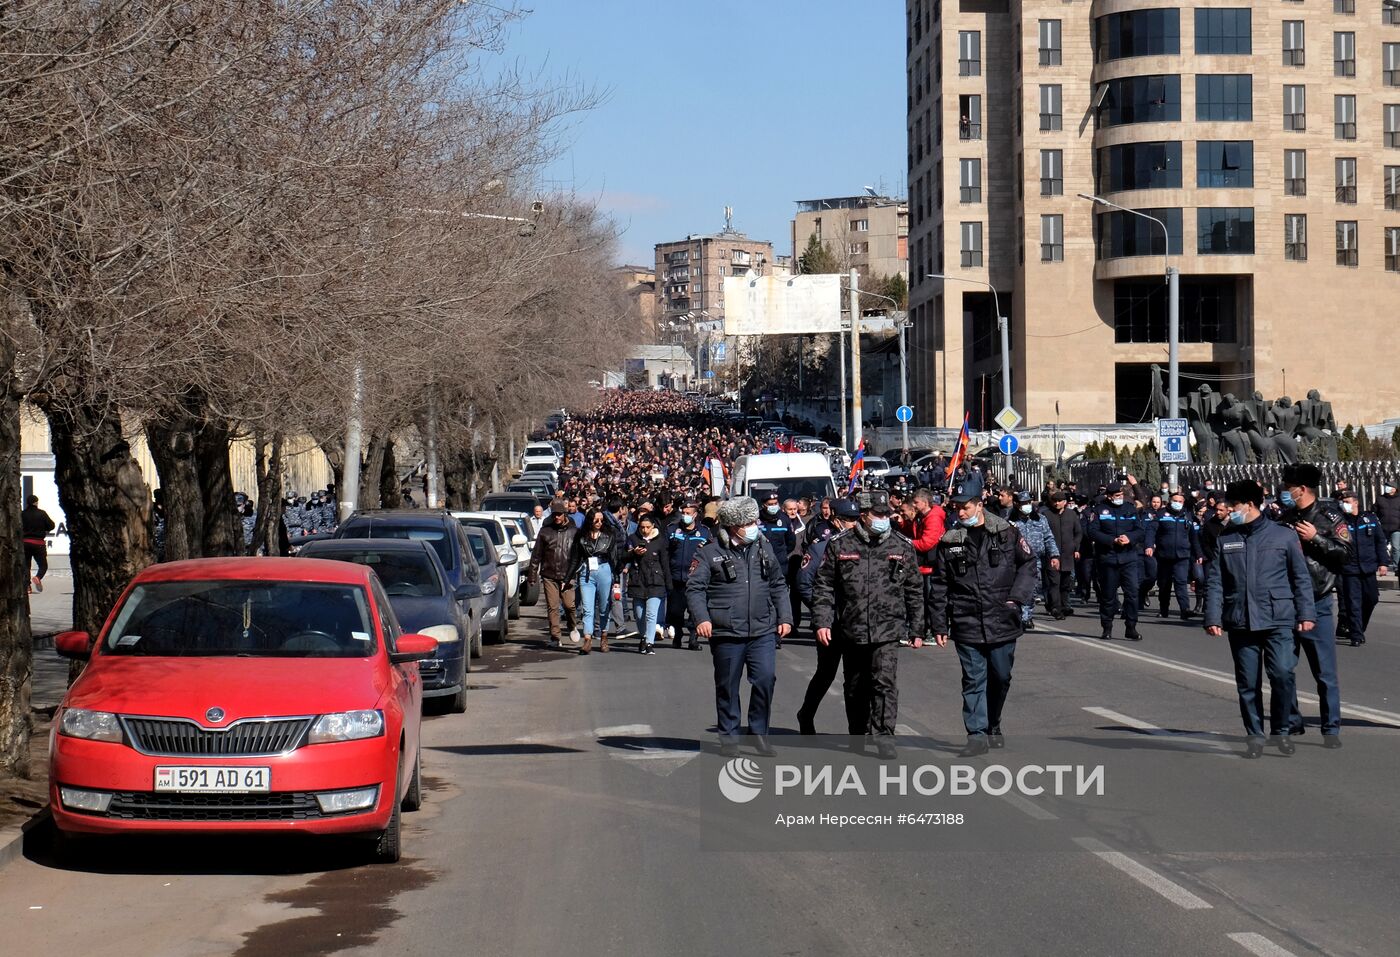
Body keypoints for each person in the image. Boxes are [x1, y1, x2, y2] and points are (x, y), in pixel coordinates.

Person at [1204, 480, 1316, 758]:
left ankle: (1281, 730)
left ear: (1250, 504)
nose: (1229, 510)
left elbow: (1300, 577)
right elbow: (1216, 580)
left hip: (1278, 618)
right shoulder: (1227, 538)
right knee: (1247, 683)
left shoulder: (1283, 536)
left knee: (1282, 674)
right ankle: (1254, 734)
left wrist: (1306, 613)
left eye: (1233, 505)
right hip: (1241, 619)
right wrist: (1212, 617)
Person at [927, 477, 1037, 757]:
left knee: (1000, 677)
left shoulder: (1006, 532)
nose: (960, 512)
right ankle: (976, 734)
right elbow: (940, 584)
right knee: (973, 679)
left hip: (1002, 618)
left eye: (965, 507)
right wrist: (939, 623)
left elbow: (1027, 565)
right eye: (956, 507)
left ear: (979, 504)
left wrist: (1016, 598)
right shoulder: (950, 541)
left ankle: (993, 723)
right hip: (966, 620)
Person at [811, 491, 924, 759]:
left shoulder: (901, 546)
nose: (884, 519)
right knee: (855, 685)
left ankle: (884, 735)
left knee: (884, 683)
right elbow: (824, 585)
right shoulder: (840, 544)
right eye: (878, 515)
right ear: (864, 515)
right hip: (852, 628)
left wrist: (917, 628)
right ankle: (857, 732)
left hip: (888, 629)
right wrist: (822, 621)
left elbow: (914, 590)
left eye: (887, 514)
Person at [686, 496, 793, 757]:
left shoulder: (763, 546)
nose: (755, 525)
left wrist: (785, 617)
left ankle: (758, 733)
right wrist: (702, 618)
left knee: (766, 680)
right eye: (749, 521)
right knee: (727, 686)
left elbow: (778, 583)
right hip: (727, 631)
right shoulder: (709, 551)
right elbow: (695, 588)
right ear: (734, 525)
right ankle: (729, 737)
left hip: (762, 629)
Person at [1277, 463, 1349, 745]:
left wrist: (1315, 538)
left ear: (1302, 489)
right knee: (1284, 668)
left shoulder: (1330, 517)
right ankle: (1293, 722)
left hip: (1317, 600)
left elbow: (1344, 554)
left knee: (1325, 672)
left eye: (1287, 488)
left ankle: (1331, 728)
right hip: (1287, 601)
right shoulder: (1285, 518)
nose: (1284, 492)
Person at [795, 499, 860, 734]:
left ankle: (857, 729)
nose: (852, 525)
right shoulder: (820, 546)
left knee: (855, 678)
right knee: (826, 673)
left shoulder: (861, 547)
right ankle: (806, 714)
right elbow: (803, 584)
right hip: (829, 623)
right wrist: (823, 610)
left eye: (855, 520)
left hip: (854, 622)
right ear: (835, 519)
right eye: (847, 520)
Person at [1086, 481, 1145, 641]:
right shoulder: (1098, 510)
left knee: (1132, 593)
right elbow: (1092, 531)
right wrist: (1112, 540)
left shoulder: (1130, 508)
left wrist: (1129, 538)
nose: (1120, 498)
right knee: (1108, 596)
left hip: (1128, 558)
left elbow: (1140, 530)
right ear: (1109, 496)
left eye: (1121, 495)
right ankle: (1107, 627)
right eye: (1117, 496)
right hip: (1108, 558)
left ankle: (1131, 626)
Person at [1336, 488, 1388, 647]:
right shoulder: (1340, 522)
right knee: (1353, 602)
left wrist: (1383, 562)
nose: (1344, 505)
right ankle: (1356, 634)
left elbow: (1380, 541)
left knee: (1372, 599)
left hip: (1368, 567)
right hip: (1349, 569)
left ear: (1356, 502)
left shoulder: (1369, 519)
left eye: (1347, 502)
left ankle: (1359, 627)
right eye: (1342, 502)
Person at [567, 507, 620, 655]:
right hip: (586, 571)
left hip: (604, 569)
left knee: (604, 606)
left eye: (601, 520)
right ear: (590, 520)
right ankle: (587, 639)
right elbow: (575, 558)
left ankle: (604, 635)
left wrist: (616, 579)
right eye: (596, 519)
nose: (599, 522)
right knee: (587, 608)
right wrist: (567, 577)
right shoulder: (581, 535)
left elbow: (614, 558)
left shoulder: (609, 535)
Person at [528, 501, 579, 648]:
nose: (557, 517)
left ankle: (572, 625)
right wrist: (532, 576)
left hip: (568, 575)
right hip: (549, 574)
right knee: (553, 606)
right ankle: (555, 636)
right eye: (555, 514)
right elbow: (536, 556)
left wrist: (575, 572)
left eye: (560, 514)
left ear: (565, 515)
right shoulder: (545, 532)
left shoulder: (574, 531)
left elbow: (579, 555)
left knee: (570, 606)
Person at [1147, 490, 1202, 619]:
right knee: (1164, 584)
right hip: (1164, 555)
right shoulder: (1161, 514)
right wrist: (1149, 545)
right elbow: (1151, 531)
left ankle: (1185, 610)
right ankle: (1164, 609)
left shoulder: (1187, 516)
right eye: (1175, 501)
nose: (1177, 503)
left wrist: (1198, 554)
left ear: (1183, 503)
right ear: (1170, 502)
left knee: (1181, 582)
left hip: (1182, 556)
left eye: (1180, 502)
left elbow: (1194, 537)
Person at [664, 496, 710, 650]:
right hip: (676, 578)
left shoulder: (704, 532)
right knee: (675, 611)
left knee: (694, 610)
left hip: (695, 579)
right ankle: (677, 635)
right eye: (683, 512)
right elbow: (665, 552)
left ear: (695, 514)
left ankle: (693, 638)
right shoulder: (672, 529)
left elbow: (709, 554)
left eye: (688, 512)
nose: (685, 515)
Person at [1011, 490, 1058, 631]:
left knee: (1032, 589)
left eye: (1028, 502)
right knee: (1018, 589)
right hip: (1015, 561)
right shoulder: (1011, 521)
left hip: (1034, 560)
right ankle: (1020, 616)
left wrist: (1054, 555)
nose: (1027, 505)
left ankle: (1027, 616)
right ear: (1017, 504)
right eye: (1023, 503)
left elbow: (1049, 538)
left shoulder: (1040, 519)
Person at [624, 513, 670, 655]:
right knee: (639, 615)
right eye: (642, 527)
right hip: (638, 581)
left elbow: (665, 563)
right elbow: (623, 557)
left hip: (655, 582)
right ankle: (644, 636)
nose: (645, 530)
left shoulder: (660, 541)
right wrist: (634, 553)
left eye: (647, 527)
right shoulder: (632, 539)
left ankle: (650, 642)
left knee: (651, 614)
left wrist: (669, 584)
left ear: (653, 527)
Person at [1043, 492, 1082, 620]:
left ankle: (1065, 605)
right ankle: (1056, 608)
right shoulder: (1046, 515)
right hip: (1052, 555)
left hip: (1067, 555)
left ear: (1065, 502)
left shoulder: (1072, 515)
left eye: (1059, 501)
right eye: (1055, 501)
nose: (1057, 503)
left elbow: (1078, 533)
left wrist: (1076, 548)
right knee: (1054, 582)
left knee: (1065, 583)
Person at [21, 495, 55, 593]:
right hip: (38, 543)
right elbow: (51, 526)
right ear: (36, 502)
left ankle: (27, 587)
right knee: (43, 565)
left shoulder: (22, 514)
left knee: (26, 565)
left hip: (25, 543)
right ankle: (38, 577)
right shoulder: (42, 513)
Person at [1376, 476, 1400, 569]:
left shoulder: (1398, 499)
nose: (1387, 488)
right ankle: (1382, 564)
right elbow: (1375, 511)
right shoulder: (1380, 499)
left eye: (1389, 486)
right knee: (1381, 547)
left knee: (1396, 548)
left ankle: (1396, 566)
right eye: (1386, 486)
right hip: (1382, 527)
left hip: (1396, 528)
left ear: (1394, 489)